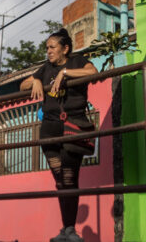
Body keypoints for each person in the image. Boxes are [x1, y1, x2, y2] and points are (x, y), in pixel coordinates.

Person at [20, 28, 98, 242]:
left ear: (65, 48)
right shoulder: (45, 68)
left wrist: (65, 73)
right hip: (50, 131)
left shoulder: (77, 61)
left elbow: (93, 72)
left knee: (69, 178)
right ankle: (66, 229)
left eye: (52, 47)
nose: (48, 51)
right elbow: (23, 84)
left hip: (72, 127)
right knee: (60, 181)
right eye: (47, 48)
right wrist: (35, 81)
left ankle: (70, 229)